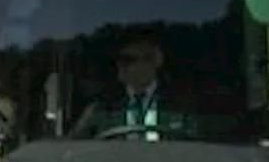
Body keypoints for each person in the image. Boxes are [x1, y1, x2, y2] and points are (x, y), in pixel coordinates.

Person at [70, 31, 199, 140]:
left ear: (156, 60)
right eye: (118, 60)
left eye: (129, 59)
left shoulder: (180, 105)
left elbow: (199, 150)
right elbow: (74, 148)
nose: (121, 66)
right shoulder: (102, 107)